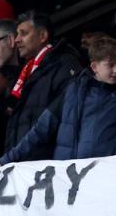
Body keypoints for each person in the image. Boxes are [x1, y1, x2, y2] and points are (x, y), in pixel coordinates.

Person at [0, 37, 116, 164]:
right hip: (73, 180)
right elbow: (40, 130)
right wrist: (5, 160)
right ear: (94, 66)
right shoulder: (71, 91)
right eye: (110, 65)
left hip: (115, 175)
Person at [5, 11, 82, 155]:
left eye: (23, 33)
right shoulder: (26, 71)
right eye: (17, 34)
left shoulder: (64, 64)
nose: (16, 40)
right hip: (23, 162)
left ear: (43, 36)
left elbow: (65, 116)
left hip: (47, 163)